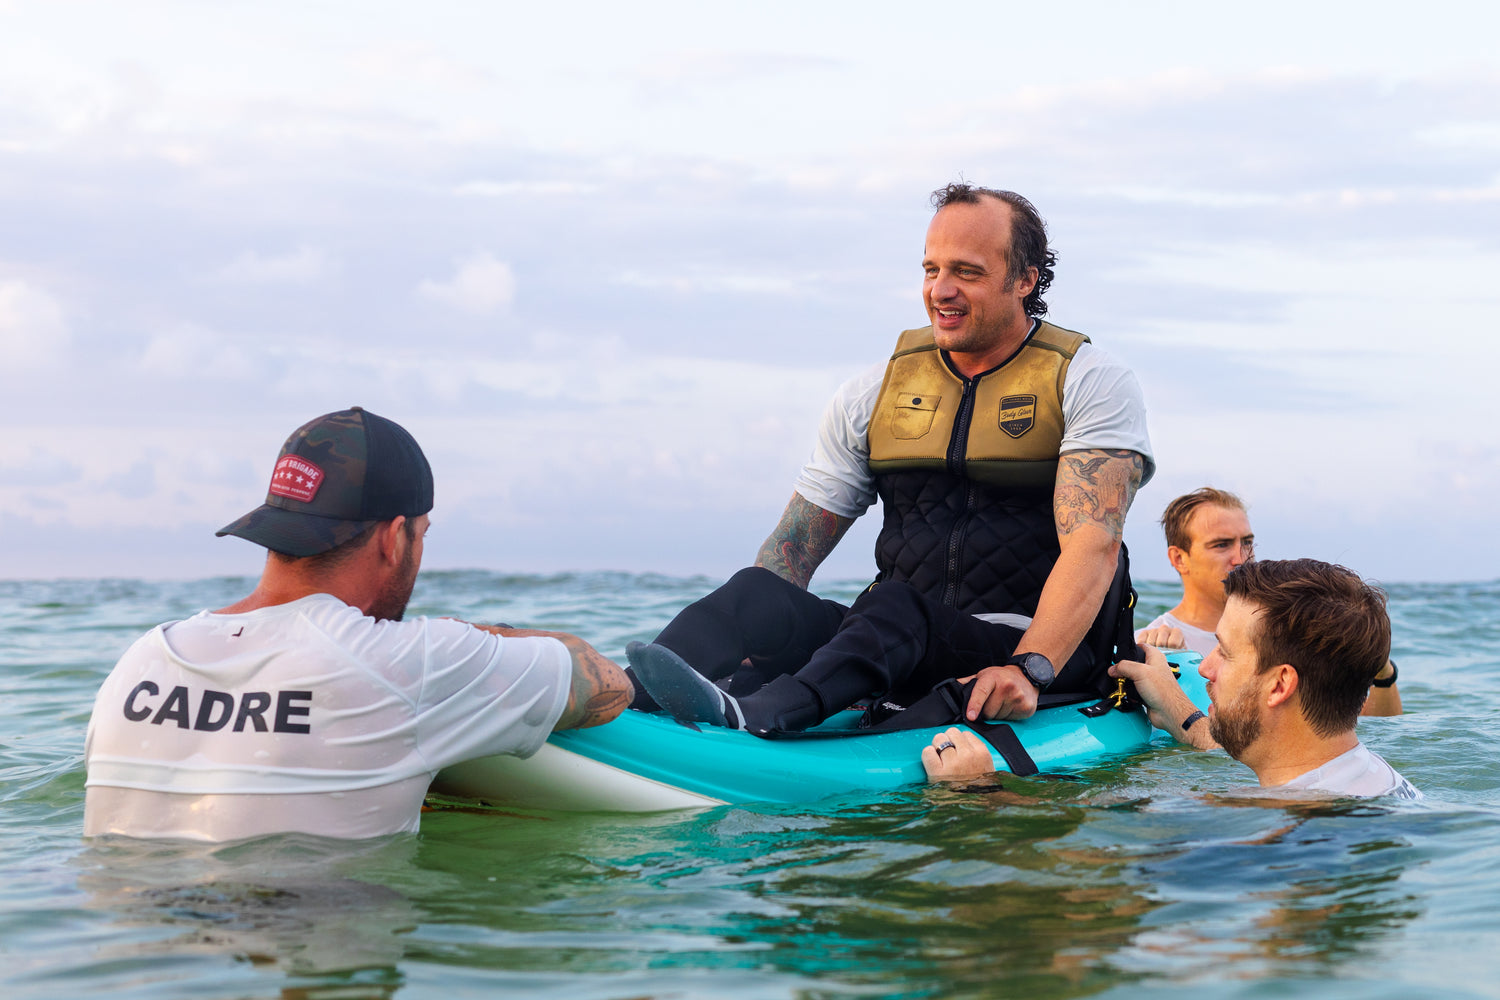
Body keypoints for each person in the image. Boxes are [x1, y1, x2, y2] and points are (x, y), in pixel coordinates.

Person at [628, 182, 1153, 735]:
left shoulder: (1089, 380)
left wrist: (1030, 668)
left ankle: (763, 717)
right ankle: (618, 696)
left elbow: (1094, 545)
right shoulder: (874, 392)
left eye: (967, 272)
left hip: (1020, 647)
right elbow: (793, 551)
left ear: (1025, 279)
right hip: (890, 640)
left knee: (896, 607)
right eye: (931, 270)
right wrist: (757, 645)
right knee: (757, 594)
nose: (941, 291)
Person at [83, 407, 632, 841]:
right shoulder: (407, 663)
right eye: (422, 533)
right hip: (309, 946)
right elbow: (605, 683)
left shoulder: (141, 660)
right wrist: (472, 636)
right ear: (395, 539)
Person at [925, 559, 1419, 799]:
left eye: (1224, 653)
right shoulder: (1357, 774)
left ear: (1279, 685)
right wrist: (1180, 714)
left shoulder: (1287, 830)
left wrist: (979, 794)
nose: (1205, 667)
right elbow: (1261, 743)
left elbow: (1107, 891)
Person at [1136, 487, 1400, 716]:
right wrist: (1177, 667)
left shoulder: (1287, 630)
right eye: (1221, 545)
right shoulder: (1151, 647)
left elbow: (1369, 730)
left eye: (1247, 542)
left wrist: (1382, 671)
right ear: (1179, 558)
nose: (1241, 558)